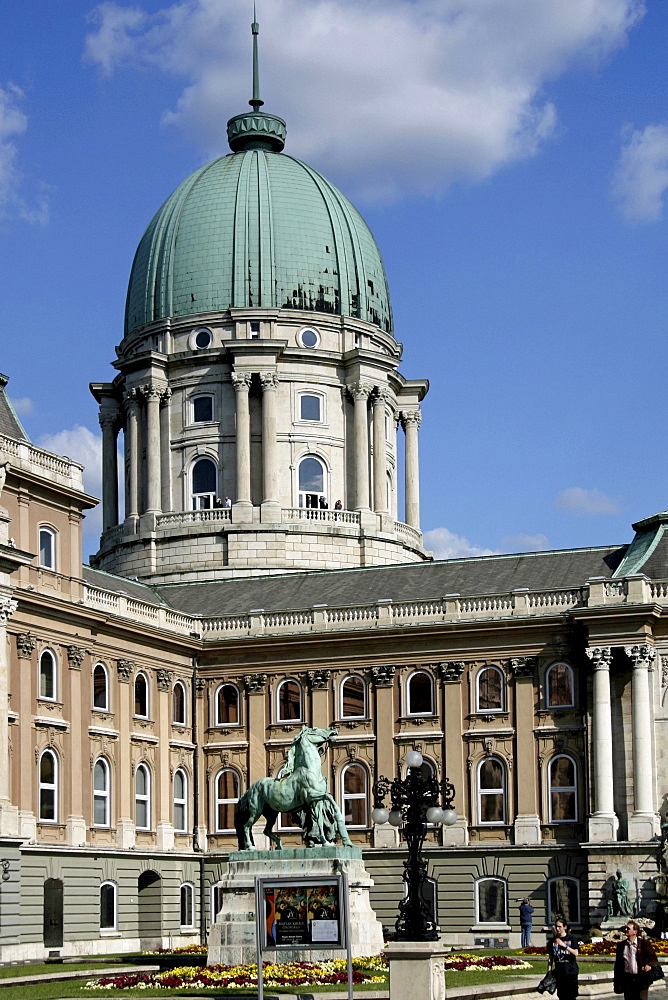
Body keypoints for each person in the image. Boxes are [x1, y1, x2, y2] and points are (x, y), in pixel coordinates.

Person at [614, 920, 659, 1000]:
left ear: (635, 931)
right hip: (628, 978)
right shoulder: (621, 945)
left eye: (628, 928)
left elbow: (653, 958)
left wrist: (649, 965)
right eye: (625, 928)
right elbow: (618, 964)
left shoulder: (644, 943)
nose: (626, 930)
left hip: (641, 978)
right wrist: (617, 980)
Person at [547, 917, 580, 1000]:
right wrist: (549, 971)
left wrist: (564, 945)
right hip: (559, 972)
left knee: (571, 996)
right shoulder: (552, 941)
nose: (558, 929)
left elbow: (576, 953)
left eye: (560, 927)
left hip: (571, 971)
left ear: (565, 927)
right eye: (556, 927)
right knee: (561, 996)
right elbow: (550, 957)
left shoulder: (572, 939)